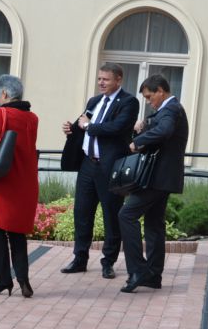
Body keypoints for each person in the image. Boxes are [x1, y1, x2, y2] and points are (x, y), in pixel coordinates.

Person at [60, 63, 137, 279]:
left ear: (118, 80)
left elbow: (116, 128)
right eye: (100, 78)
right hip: (88, 165)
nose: (101, 83)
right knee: (82, 213)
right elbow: (82, 124)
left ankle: (108, 262)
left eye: (106, 79)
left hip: (110, 167)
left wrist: (87, 126)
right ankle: (80, 259)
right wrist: (72, 128)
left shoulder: (129, 102)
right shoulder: (94, 101)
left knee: (111, 215)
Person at [119, 74, 190, 294]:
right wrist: (143, 127)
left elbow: (164, 130)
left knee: (126, 215)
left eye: (150, 97)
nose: (149, 102)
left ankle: (139, 271)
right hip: (162, 178)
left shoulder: (171, 109)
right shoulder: (168, 110)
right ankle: (153, 275)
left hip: (158, 178)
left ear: (161, 90)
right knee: (154, 224)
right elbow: (160, 130)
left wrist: (137, 142)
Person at [0, 75, 39, 298]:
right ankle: (23, 280)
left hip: (3, 182)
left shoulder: (2, 113)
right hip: (25, 182)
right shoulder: (32, 118)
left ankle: (3, 281)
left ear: (4, 93)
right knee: (17, 233)